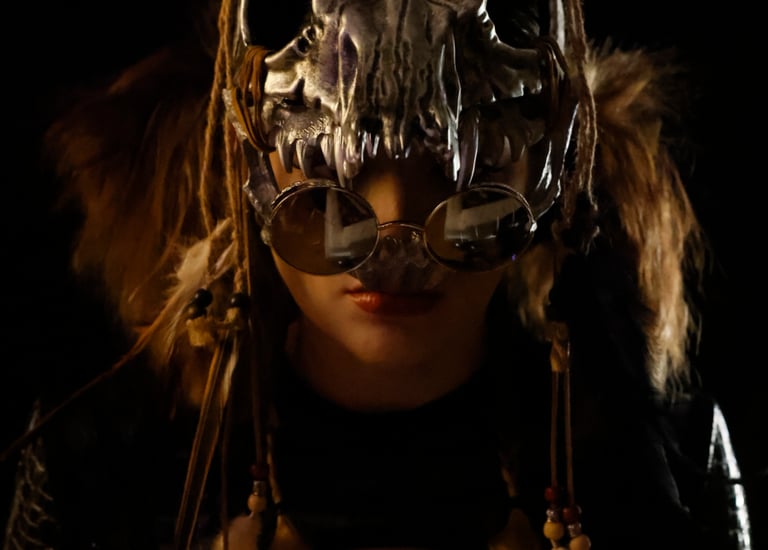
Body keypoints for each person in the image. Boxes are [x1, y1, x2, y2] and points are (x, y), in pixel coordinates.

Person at [1, 0, 754, 548]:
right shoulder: (99, 460)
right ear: (246, 148)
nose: (396, 237)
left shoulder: (667, 462)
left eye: (460, 171)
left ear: (551, 165)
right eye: (333, 167)